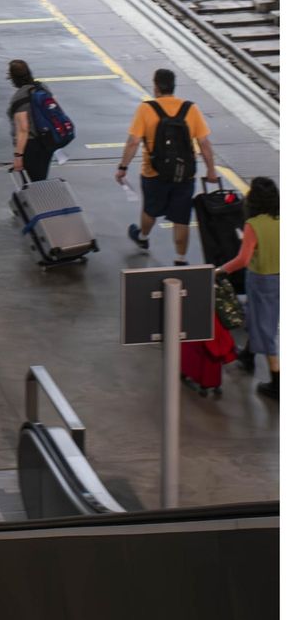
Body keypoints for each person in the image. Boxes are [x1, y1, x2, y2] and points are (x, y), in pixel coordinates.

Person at [117, 69, 218, 260]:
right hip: (184, 175)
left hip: (154, 173)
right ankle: (180, 259)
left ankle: (143, 236)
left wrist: (123, 167)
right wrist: (211, 170)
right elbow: (204, 143)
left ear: (156, 87)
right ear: (173, 86)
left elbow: (133, 142)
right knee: (181, 219)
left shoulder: (146, 109)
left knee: (150, 209)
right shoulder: (191, 109)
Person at [220, 176, 278, 401]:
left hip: (261, 279)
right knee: (256, 316)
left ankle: (277, 380)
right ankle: (248, 356)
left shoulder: (253, 225)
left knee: (265, 327)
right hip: (280, 277)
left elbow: (243, 260)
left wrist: (220, 270)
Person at [6, 58, 57, 182]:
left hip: (32, 145)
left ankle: (42, 200)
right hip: (48, 140)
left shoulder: (19, 97)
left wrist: (18, 156)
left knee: (36, 181)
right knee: (41, 177)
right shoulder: (42, 87)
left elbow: (23, 129)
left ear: (12, 77)